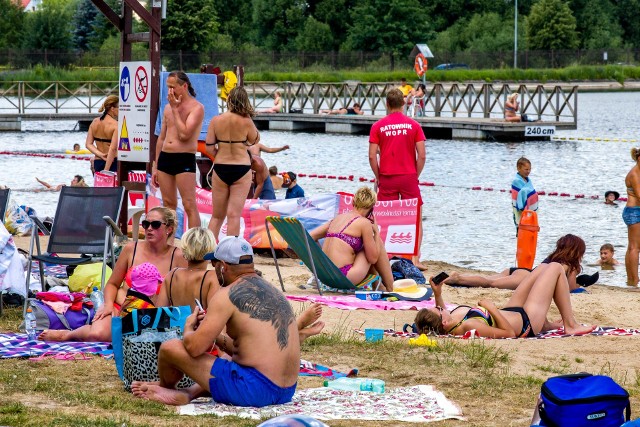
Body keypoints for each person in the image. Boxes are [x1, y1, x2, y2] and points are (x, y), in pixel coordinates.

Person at [131, 236, 300, 407]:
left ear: (223, 267)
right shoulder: (273, 291)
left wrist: (189, 327)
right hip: (285, 390)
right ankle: (189, 393)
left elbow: (194, 348)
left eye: (214, 264)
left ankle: (167, 388)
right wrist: (215, 336)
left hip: (253, 390)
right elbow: (246, 348)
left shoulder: (227, 294)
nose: (213, 268)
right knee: (227, 356)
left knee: (170, 348)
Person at [38, 207, 188, 342]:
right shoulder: (131, 249)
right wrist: (108, 304)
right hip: (120, 305)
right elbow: (112, 284)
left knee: (134, 337)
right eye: (145, 224)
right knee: (97, 335)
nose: (149, 229)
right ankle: (67, 335)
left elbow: (183, 294)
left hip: (152, 313)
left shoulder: (178, 256)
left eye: (155, 225)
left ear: (169, 228)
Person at [415, 262, 596, 338]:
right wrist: (491, 308)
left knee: (542, 267)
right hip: (526, 322)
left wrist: (437, 293)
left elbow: (441, 316)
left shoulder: (450, 321)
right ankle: (570, 324)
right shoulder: (469, 326)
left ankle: (547, 325)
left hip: (511, 310)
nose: (439, 307)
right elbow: (509, 334)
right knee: (556, 268)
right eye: (437, 309)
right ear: (444, 322)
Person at [368, 88, 427, 270]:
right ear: (404, 104)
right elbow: (422, 155)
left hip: (387, 176)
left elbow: (372, 156)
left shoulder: (378, 126)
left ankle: (386, 256)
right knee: (415, 217)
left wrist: (378, 177)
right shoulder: (414, 125)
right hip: (408, 175)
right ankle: (415, 258)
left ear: (387, 104)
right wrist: (414, 176)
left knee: (385, 218)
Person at [310, 187, 394, 292]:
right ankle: (391, 288)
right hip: (344, 277)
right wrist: (376, 233)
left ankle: (379, 286)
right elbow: (373, 259)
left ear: (353, 201)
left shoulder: (337, 218)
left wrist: (321, 257)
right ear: (372, 207)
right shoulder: (364, 223)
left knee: (367, 246)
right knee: (375, 245)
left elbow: (310, 236)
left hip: (325, 276)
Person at [205, 86, 260, 240]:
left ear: (228, 100)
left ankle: (206, 251)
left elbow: (209, 147)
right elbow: (255, 140)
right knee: (234, 215)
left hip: (221, 166)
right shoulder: (246, 121)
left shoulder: (216, 120)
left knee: (216, 216)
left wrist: (220, 155)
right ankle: (230, 254)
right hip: (241, 168)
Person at [152, 71, 205, 229]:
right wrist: (156, 165)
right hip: (166, 158)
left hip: (184, 157)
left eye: (173, 87)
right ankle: (169, 242)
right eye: (168, 87)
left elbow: (184, 135)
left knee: (189, 204)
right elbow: (161, 137)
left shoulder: (196, 108)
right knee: (168, 205)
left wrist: (175, 109)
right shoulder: (168, 107)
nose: (170, 91)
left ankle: (193, 244)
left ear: (184, 86)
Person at [444, 234, 587, 291]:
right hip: (525, 278)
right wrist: (582, 282)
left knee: (492, 279)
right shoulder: (570, 266)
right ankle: (459, 278)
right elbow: (570, 289)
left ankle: (458, 276)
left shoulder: (553, 257)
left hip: (521, 271)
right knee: (490, 283)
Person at [156, 227, 219, 311]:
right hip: (200, 324)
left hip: (176, 323)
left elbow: (159, 312)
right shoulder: (212, 278)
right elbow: (215, 316)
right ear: (211, 248)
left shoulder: (172, 275)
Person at [85, 95, 119, 174]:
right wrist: (106, 170)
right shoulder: (116, 125)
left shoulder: (95, 122)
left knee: (99, 185)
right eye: (119, 108)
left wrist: (100, 154)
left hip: (98, 161)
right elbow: (113, 149)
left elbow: (88, 144)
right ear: (112, 109)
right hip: (112, 162)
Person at [624, 148, 640, 286]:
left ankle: (630, 279)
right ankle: (635, 280)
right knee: (635, 247)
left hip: (634, 210)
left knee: (631, 246)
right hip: (634, 211)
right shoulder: (634, 174)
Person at [511, 157, 538, 231]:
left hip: (529, 212)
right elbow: (519, 196)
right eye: (526, 169)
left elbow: (531, 193)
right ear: (519, 168)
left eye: (529, 169)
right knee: (521, 231)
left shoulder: (528, 181)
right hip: (520, 211)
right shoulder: (516, 181)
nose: (528, 171)